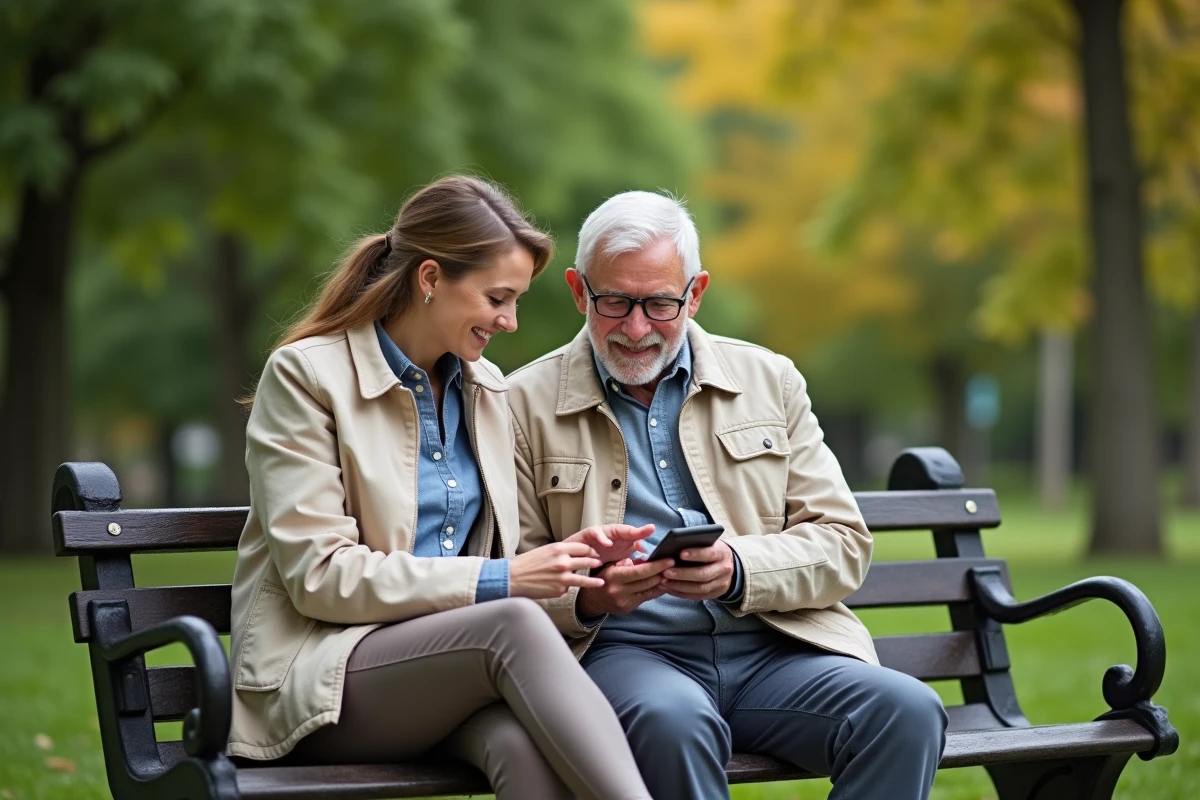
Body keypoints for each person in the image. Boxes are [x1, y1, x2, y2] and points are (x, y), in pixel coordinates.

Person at [508, 190, 949, 800]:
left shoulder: (771, 380)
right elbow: (507, 568)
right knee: (671, 723)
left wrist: (738, 569)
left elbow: (844, 543)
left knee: (906, 711)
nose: (636, 328)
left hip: (778, 651)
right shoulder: (519, 403)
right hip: (627, 655)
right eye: (614, 302)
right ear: (579, 292)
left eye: (660, 303)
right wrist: (591, 595)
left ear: (695, 294)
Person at [226, 176, 654, 800]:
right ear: (430, 278)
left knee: (522, 747)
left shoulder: (487, 390)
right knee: (510, 624)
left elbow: (503, 565)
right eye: (497, 298)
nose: (510, 322)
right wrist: (504, 578)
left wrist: (579, 572)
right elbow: (320, 576)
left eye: (516, 302)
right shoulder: (306, 377)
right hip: (323, 680)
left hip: (448, 671)